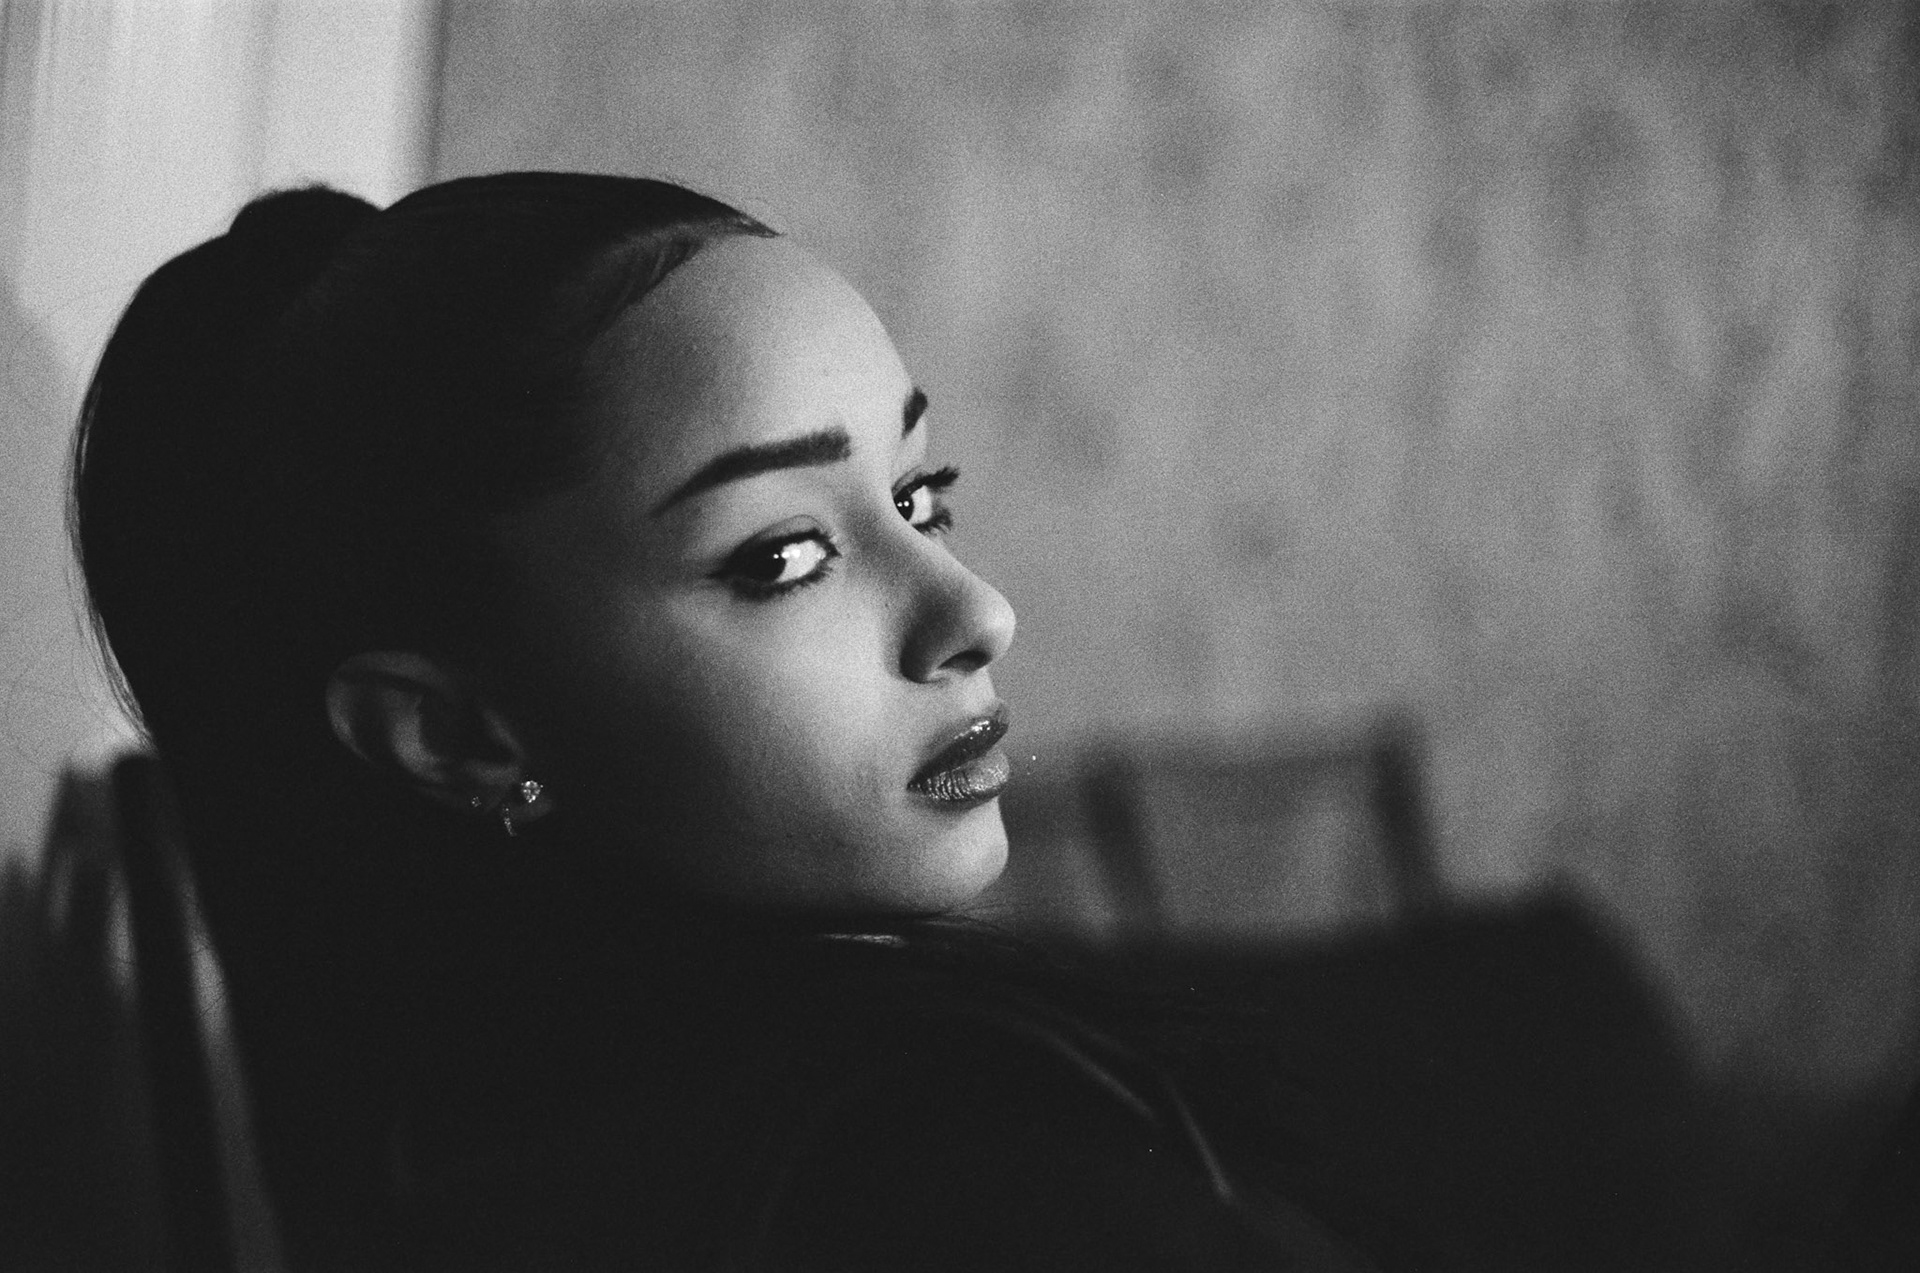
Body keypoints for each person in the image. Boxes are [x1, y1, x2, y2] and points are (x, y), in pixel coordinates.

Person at [72, 173, 1404, 1271]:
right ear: (456, 736)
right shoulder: (938, 1180)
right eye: (783, 557)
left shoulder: (507, 1137)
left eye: (920, 497)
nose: (976, 612)